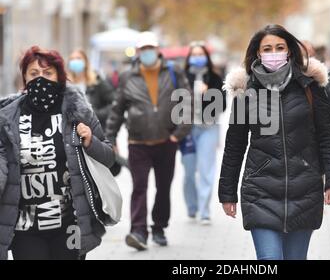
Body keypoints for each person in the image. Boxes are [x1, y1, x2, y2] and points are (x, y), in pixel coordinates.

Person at [219, 24, 330, 260]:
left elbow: (328, 136)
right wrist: (227, 193)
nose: (273, 53)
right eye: (267, 48)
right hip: (260, 191)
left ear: (289, 51)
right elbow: (234, 146)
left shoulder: (310, 87)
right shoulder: (246, 93)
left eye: (279, 47)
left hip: (304, 191)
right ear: (258, 53)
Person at [0, 46, 115, 260]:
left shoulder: (77, 112)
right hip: (25, 228)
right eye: (33, 74)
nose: (40, 79)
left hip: (69, 225)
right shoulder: (7, 119)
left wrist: (91, 141)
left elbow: (109, 158)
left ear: (59, 77)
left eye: (48, 73)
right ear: (24, 78)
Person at [105, 31, 192, 250]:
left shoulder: (174, 72)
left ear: (157, 50)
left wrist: (178, 134)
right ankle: (138, 231)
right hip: (138, 143)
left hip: (166, 141)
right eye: (143, 49)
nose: (147, 53)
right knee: (139, 188)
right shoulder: (127, 77)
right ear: (137, 52)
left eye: (150, 48)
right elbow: (117, 111)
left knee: (163, 188)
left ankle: (160, 227)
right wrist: (110, 138)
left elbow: (188, 104)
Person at [181, 42, 226, 225]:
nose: (197, 57)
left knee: (206, 169)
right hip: (188, 129)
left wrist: (209, 94)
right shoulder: (182, 76)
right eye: (194, 54)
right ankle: (192, 207)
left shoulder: (215, 76)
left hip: (209, 128)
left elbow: (222, 105)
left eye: (201, 54)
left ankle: (205, 210)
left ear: (206, 57)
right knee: (189, 171)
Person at [67, 49, 126, 176]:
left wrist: (96, 114)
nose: (75, 62)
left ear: (86, 62)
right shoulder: (66, 84)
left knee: (102, 175)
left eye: (78, 58)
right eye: (72, 59)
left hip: (97, 134)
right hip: (75, 137)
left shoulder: (96, 81)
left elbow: (115, 103)